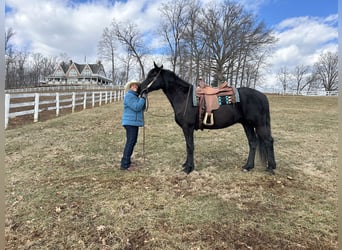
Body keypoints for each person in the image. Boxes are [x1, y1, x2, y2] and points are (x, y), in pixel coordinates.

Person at [120, 80, 146, 171]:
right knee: (130, 142)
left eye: (136, 86)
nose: (135, 87)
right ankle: (125, 164)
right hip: (130, 123)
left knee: (132, 142)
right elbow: (136, 107)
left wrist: (143, 98)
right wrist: (142, 99)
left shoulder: (135, 96)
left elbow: (142, 108)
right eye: (133, 86)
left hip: (133, 122)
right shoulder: (129, 96)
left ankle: (127, 161)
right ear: (130, 87)